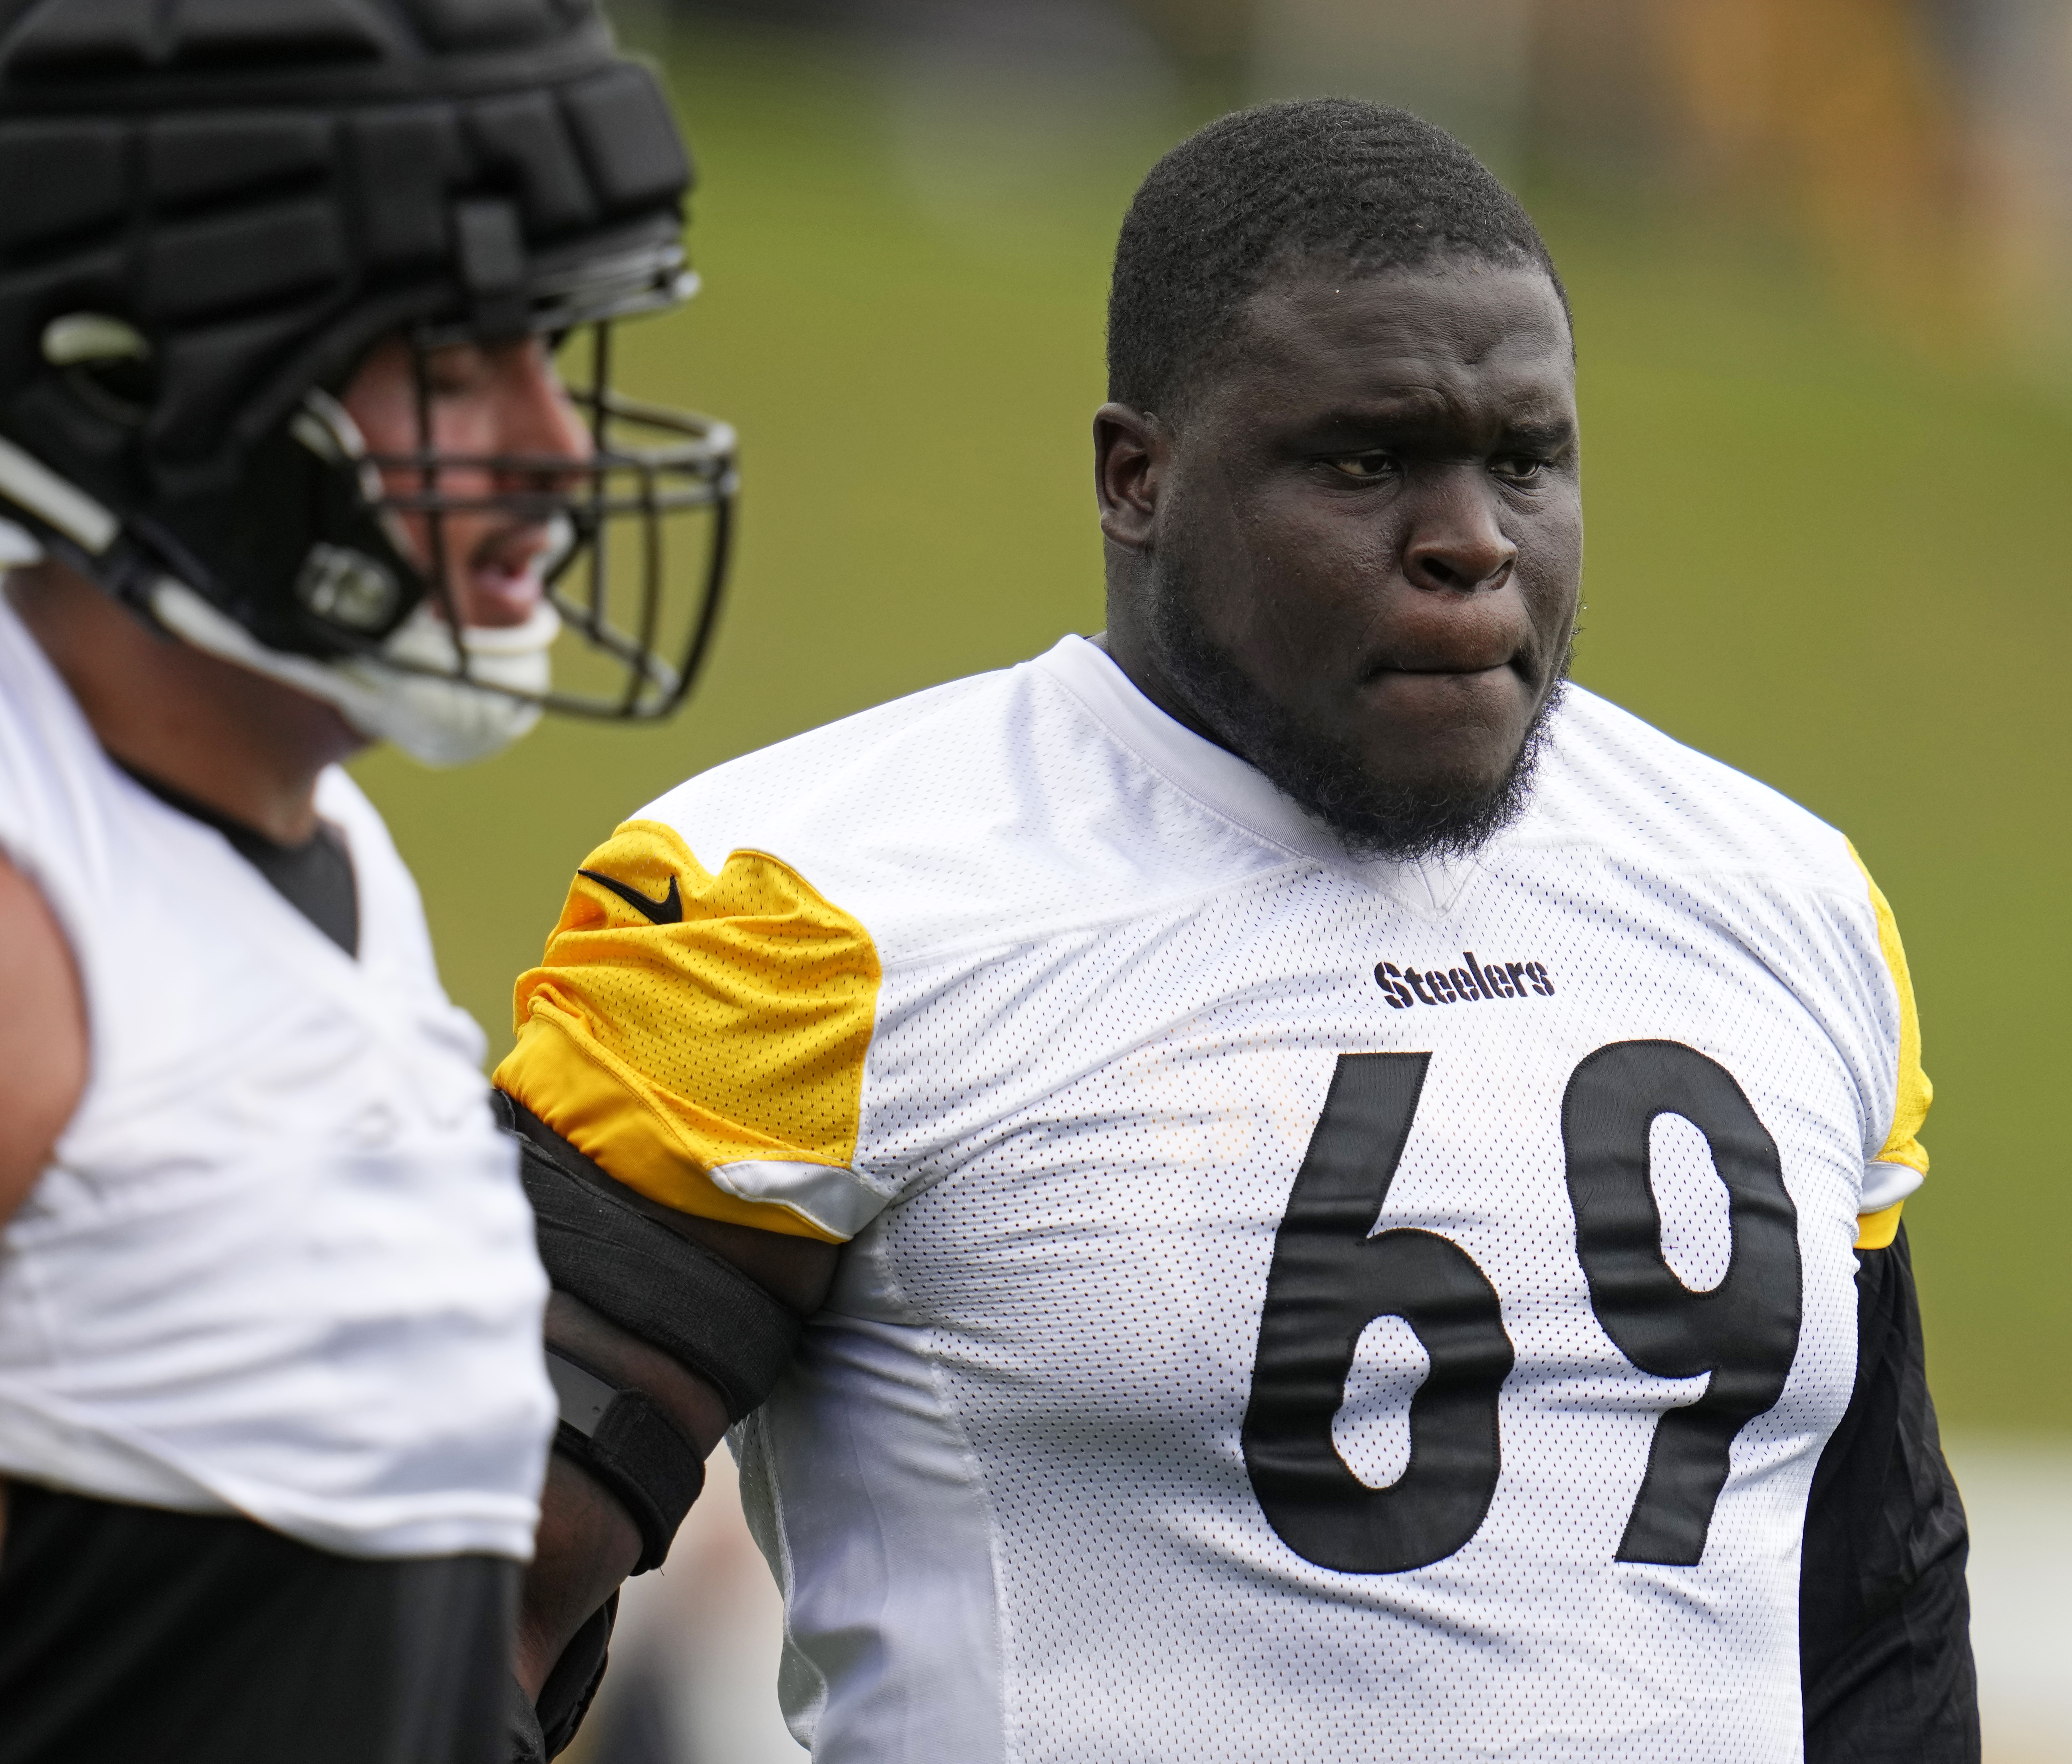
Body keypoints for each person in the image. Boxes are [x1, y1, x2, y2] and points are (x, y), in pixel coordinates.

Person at [499, 98, 1977, 1761]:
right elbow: (448, 1601)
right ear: (1138, 478)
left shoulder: (1782, 898)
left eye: (1525, 460)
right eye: (1367, 461)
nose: (1472, 546)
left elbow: (1879, 1632)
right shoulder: (807, 914)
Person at [0, 1, 734, 1758]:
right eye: (461, 359)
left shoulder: (319, 852)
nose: (556, 446)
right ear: (147, 389)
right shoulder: (30, 920)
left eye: (553, 348)